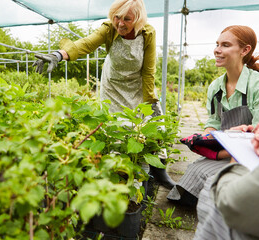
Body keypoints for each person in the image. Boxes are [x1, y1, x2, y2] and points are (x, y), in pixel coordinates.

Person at [32, 0, 175, 189]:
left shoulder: (148, 33)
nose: (120, 23)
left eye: (127, 19)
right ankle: (119, 173)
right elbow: (86, 44)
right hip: (113, 86)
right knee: (116, 127)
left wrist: (151, 102)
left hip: (138, 84)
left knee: (154, 127)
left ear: (138, 19)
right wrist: (59, 55)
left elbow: (149, 71)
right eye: (117, 17)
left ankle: (159, 173)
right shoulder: (109, 29)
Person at [167, 25, 259, 206]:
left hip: (258, 154)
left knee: (221, 185)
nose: (217, 50)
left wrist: (217, 154)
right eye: (217, 44)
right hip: (229, 148)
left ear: (245, 50)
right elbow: (214, 121)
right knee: (192, 175)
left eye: (225, 45)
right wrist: (205, 141)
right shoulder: (216, 87)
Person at [194, 123, 259, 240]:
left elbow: (233, 203)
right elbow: (213, 121)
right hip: (252, 149)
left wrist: (237, 154)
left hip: (243, 154)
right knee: (195, 169)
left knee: (213, 194)